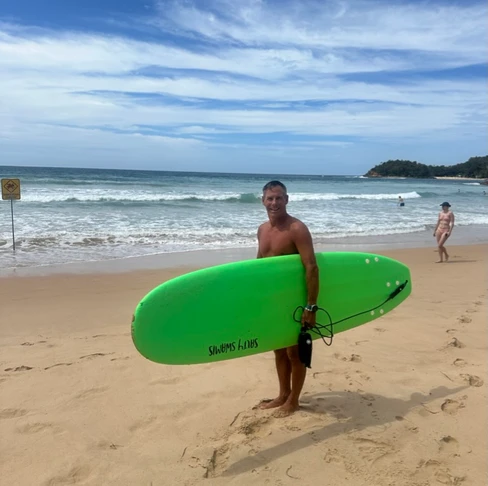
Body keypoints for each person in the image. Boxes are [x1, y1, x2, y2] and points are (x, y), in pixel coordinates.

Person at [256, 180, 319, 417]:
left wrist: (311, 306)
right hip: (273, 301)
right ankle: (283, 394)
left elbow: (311, 268)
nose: (274, 203)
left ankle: (294, 401)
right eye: (270, 198)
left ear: (287, 200)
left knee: (295, 352)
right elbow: (259, 266)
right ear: (262, 200)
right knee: (278, 351)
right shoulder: (262, 230)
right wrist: (258, 298)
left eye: (279, 198)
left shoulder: (297, 229)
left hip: (295, 301)